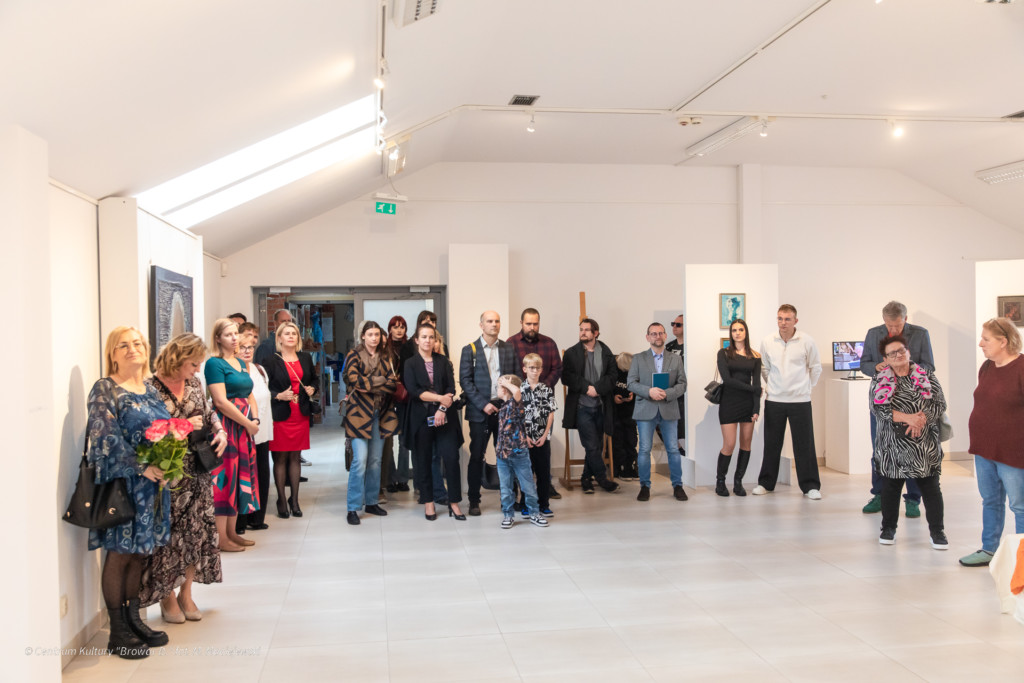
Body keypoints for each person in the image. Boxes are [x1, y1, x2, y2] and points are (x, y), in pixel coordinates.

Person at [87, 326, 172, 659]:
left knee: (139, 553)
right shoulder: (105, 388)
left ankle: (135, 621)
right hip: (123, 485)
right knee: (119, 554)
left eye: (136, 343)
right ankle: (118, 632)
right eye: (123, 345)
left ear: (146, 349)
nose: (131, 348)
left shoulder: (149, 389)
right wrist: (141, 466)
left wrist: (169, 460)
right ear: (113, 354)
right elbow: (104, 437)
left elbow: (165, 431)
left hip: (152, 486)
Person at [140, 334, 227, 624]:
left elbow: (209, 412)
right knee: (167, 536)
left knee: (195, 533)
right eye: (194, 364)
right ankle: (166, 596)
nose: (198, 369)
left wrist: (221, 432)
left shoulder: (194, 384)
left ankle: (186, 594)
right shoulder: (150, 387)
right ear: (177, 358)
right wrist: (182, 425)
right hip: (166, 471)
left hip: (197, 468)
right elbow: (145, 430)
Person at [870, 334, 948, 548]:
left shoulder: (927, 375)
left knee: (931, 488)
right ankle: (888, 529)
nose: (898, 355)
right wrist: (909, 418)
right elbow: (878, 408)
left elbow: (939, 404)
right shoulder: (879, 379)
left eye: (901, 350)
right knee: (891, 488)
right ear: (885, 359)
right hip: (892, 444)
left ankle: (937, 532)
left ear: (908, 352)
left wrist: (920, 420)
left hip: (924, 443)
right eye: (892, 353)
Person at [860, 301, 935, 517]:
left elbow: (929, 366)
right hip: (882, 401)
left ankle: (913, 499)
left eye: (897, 326)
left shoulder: (920, 334)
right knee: (880, 448)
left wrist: (907, 367)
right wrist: (876, 367)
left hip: (911, 402)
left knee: (912, 449)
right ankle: (879, 495)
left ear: (906, 319)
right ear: (883, 320)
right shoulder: (873, 334)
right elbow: (864, 363)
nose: (893, 330)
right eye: (889, 326)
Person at [960, 318, 1024, 567]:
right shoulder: (987, 367)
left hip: (1013, 451)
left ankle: (1021, 559)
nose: (981, 343)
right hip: (984, 449)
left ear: (1003, 341)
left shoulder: (1021, 368)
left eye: (986, 339)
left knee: (1019, 506)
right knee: (991, 501)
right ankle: (989, 550)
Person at [752, 305, 823, 499]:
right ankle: (766, 483)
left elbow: (815, 368)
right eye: (780, 319)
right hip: (775, 399)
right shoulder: (768, 341)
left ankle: (810, 486)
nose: (783, 323)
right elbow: (765, 368)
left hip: (800, 400)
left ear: (795, 321)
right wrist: (774, 386)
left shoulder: (807, 341)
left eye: (787, 319)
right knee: (772, 443)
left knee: (805, 444)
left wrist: (806, 388)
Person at [204, 318, 260, 551]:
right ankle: (221, 537)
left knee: (239, 478)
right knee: (225, 480)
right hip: (227, 426)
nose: (234, 338)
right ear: (218, 338)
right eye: (228, 334)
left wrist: (255, 420)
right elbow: (220, 401)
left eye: (236, 333)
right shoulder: (214, 363)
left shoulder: (240, 362)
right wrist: (247, 423)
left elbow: (249, 395)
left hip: (244, 427)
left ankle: (232, 532)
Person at [403, 324, 465, 521]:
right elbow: (415, 391)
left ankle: (454, 502)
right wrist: (439, 399)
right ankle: (428, 502)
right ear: (416, 340)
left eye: (431, 337)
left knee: (451, 458)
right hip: (421, 418)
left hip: (445, 417)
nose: (428, 340)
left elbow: (450, 388)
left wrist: (442, 409)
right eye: (424, 337)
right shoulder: (410, 363)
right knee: (424, 460)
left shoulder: (443, 361)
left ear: (435, 340)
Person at [459, 310, 517, 515]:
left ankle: (508, 499)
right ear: (481, 325)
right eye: (489, 321)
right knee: (477, 456)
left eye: (497, 321)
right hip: (480, 411)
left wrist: (508, 401)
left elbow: (516, 377)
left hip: (504, 409)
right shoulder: (470, 350)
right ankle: (474, 500)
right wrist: (483, 404)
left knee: (507, 456)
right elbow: (465, 381)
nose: (494, 324)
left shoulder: (509, 349)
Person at [344, 321, 399, 525]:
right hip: (358, 414)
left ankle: (372, 502)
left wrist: (371, 384)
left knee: (375, 461)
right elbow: (354, 381)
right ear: (363, 336)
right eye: (370, 334)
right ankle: (352, 507)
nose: (374, 338)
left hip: (381, 414)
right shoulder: (354, 355)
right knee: (360, 461)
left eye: (377, 334)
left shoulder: (386, 356)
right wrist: (380, 381)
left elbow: (392, 384)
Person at [627, 323, 688, 502]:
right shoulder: (638, 358)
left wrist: (668, 393)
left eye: (660, 333)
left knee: (673, 449)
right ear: (648, 337)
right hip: (646, 408)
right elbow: (631, 383)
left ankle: (678, 486)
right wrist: (649, 391)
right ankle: (645, 486)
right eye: (653, 334)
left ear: (665, 335)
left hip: (668, 408)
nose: (657, 336)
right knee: (644, 450)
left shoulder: (675, 359)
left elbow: (682, 384)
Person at [507, 307, 564, 499]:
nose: (532, 327)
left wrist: (541, 387)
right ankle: (522, 491)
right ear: (521, 323)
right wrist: (522, 389)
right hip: (520, 404)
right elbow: (508, 372)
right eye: (528, 323)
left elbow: (557, 369)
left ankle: (545, 487)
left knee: (543, 448)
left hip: (543, 406)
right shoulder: (511, 343)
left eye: (535, 324)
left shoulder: (549, 343)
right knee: (522, 449)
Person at [266, 320, 317, 518]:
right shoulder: (271, 360)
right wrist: (278, 395)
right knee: (280, 458)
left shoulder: (305, 358)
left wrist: (312, 388)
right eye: (286, 333)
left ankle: (294, 500)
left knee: (296, 456)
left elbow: (313, 379)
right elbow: (263, 387)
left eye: (294, 333)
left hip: (300, 413)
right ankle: (281, 499)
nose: (291, 337)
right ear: (279, 338)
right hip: (280, 414)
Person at [562, 318, 619, 494]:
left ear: (596, 333)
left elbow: (613, 376)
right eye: (581, 329)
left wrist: (598, 389)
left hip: (601, 406)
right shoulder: (571, 353)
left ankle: (586, 479)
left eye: (587, 330)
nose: (583, 332)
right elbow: (566, 377)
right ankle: (602, 478)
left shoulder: (606, 352)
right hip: (581, 407)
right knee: (592, 445)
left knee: (595, 446)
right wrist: (587, 388)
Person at [494, 374, 550, 529]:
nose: (497, 389)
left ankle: (534, 513)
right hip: (502, 456)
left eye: (499, 386)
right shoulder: (503, 406)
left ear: (505, 389)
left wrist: (506, 382)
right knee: (506, 489)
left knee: (528, 487)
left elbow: (517, 392)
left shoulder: (516, 403)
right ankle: (508, 515)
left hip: (519, 454)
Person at [714, 319, 762, 497]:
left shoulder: (755, 355)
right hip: (729, 401)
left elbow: (757, 383)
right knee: (729, 444)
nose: (737, 333)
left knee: (746, 444)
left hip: (748, 404)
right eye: (734, 330)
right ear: (731, 333)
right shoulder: (724, 353)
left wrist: (756, 408)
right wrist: (752, 389)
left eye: (741, 329)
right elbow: (727, 380)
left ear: (746, 332)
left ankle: (738, 483)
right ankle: (720, 482)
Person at [237, 323, 273, 533]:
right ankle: (241, 521)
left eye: (250, 347)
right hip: (244, 431)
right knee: (244, 476)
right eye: (243, 347)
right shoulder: (233, 371)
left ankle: (257, 518)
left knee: (261, 474)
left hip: (262, 431)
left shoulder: (259, 370)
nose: (247, 351)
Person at [521, 353, 558, 517]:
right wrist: (525, 435)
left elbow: (551, 413)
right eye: (531, 368)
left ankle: (544, 504)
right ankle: (525, 504)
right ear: (525, 369)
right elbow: (518, 415)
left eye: (537, 368)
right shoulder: (519, 390)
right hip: (526, 439)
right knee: (526, 474)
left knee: (543, 473)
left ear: (541, 370)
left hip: (543, 438)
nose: (534, 371)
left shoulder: (547, 389)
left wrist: (545, 435)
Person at [382, 316, 412, 493]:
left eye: (402, 327)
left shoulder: (410, 347)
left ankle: (402, 479)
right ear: (390, 329)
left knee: (403, 441)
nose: (399, 330)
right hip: (387, 398)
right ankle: (390, 479)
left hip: (405, 398)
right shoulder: (384, 348)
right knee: (388, 441)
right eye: (395, 327)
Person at [612, 352, 638, 481]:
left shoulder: (634, 374)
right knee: (618, 441)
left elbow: (638, 389)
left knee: (631, 440)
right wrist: (614, 398)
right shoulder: (613, 373)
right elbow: (607, 390)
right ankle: (621, 468)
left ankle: (630, 467)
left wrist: (632, 395)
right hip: (615, 413)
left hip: (630, 413)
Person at [665, 313, 687, 453]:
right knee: (670, 429)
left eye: (678, 324)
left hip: (685, 393)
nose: (674, 327)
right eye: (673, 324)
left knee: (683, 430)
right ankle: (678, 455)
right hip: (671, 392)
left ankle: (684, 456)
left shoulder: (691, 346)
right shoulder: (669, 346)